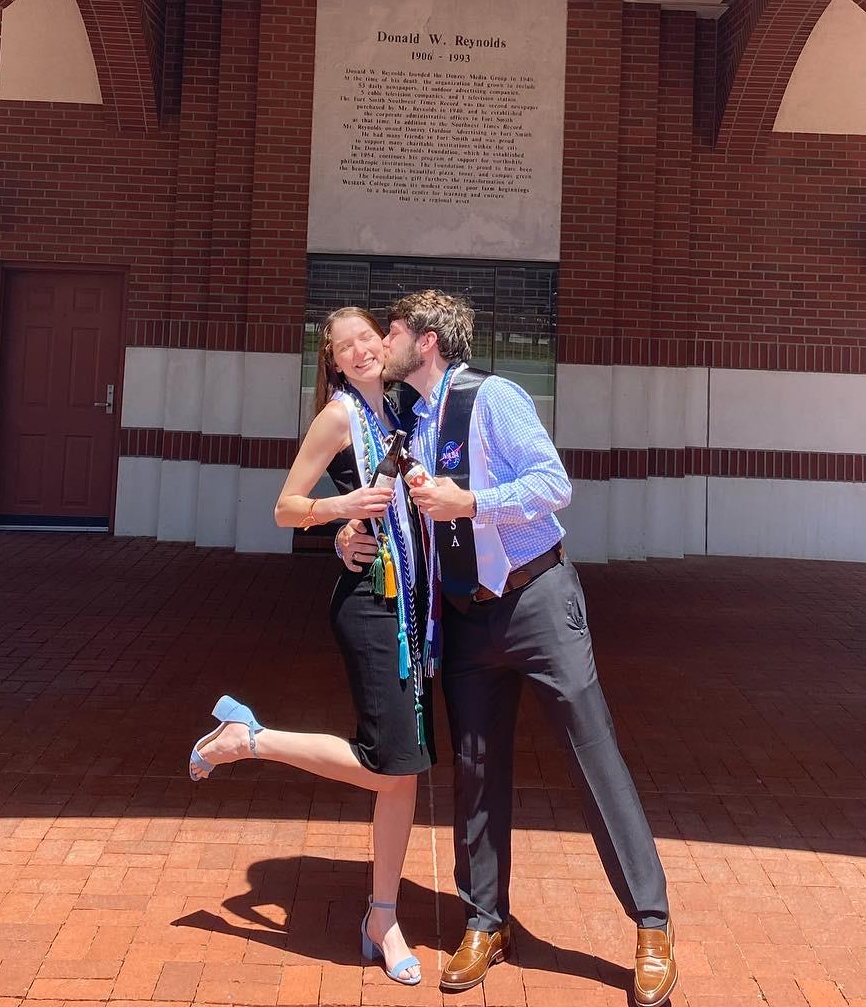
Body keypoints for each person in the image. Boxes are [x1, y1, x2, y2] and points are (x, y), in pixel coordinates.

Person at [331, 289, 677, 1005]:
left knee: (592, 755)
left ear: (426, 340)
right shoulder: (408, 421)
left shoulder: (494, 398)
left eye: (391, 331)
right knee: (477, 770)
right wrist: (345, 533)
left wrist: (472, 503)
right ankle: (486, 921)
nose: (382, 344)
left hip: (536, 599)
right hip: (466, 617)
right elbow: (385, 508)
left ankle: (651, 923)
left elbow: (554, 484)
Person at [187, 307, 431, 987]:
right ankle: (251, 740)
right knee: (388, 765)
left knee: (404, 773)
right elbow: (286, 507)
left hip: (410, 605)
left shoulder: (404, 408)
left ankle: (383, 916)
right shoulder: (338, 417)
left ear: (383, 341)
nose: (359, 351)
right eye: (344, 347)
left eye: (366, 339)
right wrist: (342, 513)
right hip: (369, 605)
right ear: (333, 360)